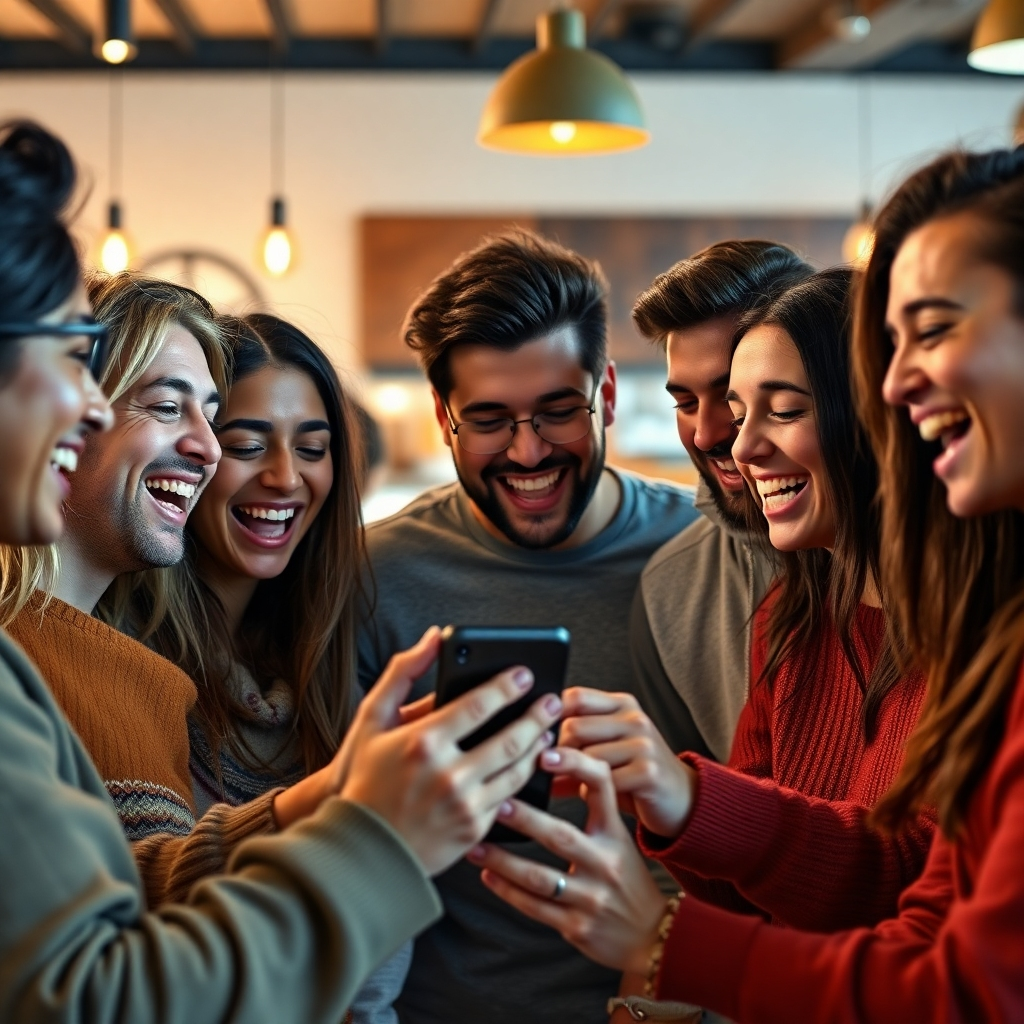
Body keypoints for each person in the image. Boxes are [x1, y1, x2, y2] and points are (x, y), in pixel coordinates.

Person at [0, 117, 564, 1024]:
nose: (207, 446)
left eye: (210, 412)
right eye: (69, 363)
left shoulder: (137, 676)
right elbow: (105, 992)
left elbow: (124, 891)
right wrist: (376, 836)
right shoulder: (33, 658)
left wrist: (339, 792)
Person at [466, 148, 1024, 1022]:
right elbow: (888, 874)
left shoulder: (982, 631)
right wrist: (676, 794)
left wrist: (662, 941)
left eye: (937, 329)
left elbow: (951, 971)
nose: (731, 440)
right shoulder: (790, 615)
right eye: (708, 402)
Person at [357, 230, 699, 1024]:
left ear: (607, 395)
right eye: (489, 420)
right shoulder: (374, 576)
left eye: (556, 413)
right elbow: (359, 851)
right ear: (444, 418)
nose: (527, 452)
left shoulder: (706, 554)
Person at [136, 312, 409, 1024]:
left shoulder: (331, 661)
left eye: (313, 448)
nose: (286, 477)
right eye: (247, 445)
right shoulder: (126, 665)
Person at [629, 241, 812, 759]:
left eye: (734, 394)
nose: (710, 433)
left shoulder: (930, 559)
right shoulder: (669, 592)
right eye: (684, 402)